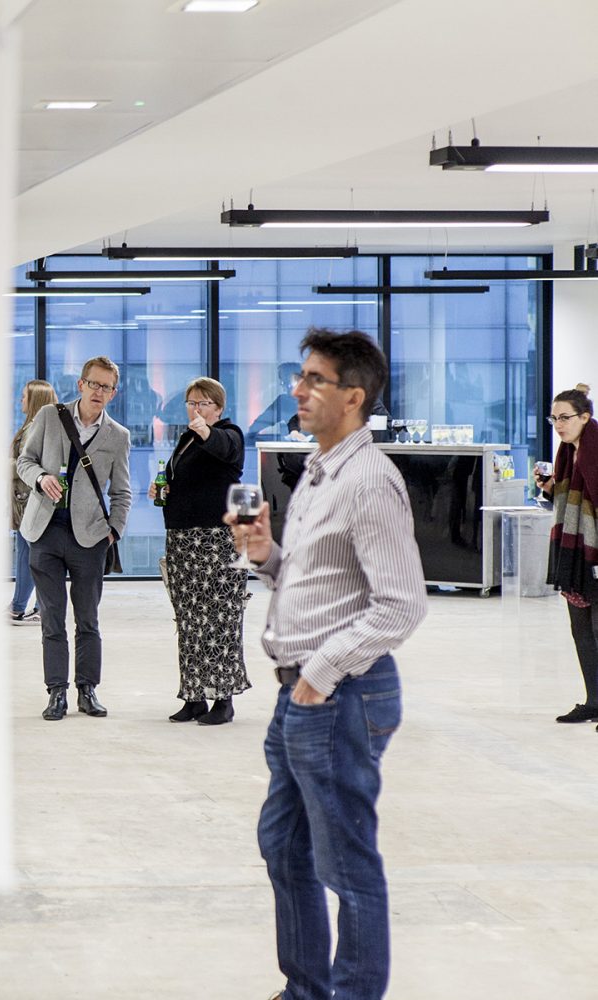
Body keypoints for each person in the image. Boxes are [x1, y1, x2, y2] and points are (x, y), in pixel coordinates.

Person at [229, 329, 427, 1000]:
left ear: (354, 396)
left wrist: (320, 674)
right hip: (302, 695)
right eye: (300, 376)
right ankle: (305, 989)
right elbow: (319, 586)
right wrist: (266, 555)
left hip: (340, 695)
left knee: (347, 864)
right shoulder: (319, 473)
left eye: (315, 380)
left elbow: (400, 605)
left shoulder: (369, 481)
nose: (299, 390)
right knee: (284, 848)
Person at [16, 356, 132, 721]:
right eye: (94, 384)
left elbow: (123, 492)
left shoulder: (118, 436)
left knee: (88, 618)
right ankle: (56, 693)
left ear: (114, 392)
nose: (99, 392)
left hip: (91, 537)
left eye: (107, 387)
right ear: (81, 384)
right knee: (52, 617)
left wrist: (114, 531)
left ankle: (87, 688)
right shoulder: (50, 416)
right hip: (45, 531)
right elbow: (24, 460)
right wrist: (39, 478)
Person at [150, 376, 250, 726]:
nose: (195, 408)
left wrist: (206, 430)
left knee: (219, 619)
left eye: (203, 403)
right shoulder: (186, 439)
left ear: (219, 408)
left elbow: (223, 449)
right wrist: (163, 489)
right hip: (182, 540)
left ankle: (223, 699)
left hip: (216, 541)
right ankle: (194, 696)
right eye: (191, 402)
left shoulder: (230, 434)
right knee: (189, 618)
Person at [534, 383, 598, 724]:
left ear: (585, 417)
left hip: (594, 553)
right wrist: (550, 488)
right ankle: (594, 701)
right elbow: (566, 499)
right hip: (573, 553)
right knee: (581, 630)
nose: (559, 424)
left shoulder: (594, 451)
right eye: (554, 418)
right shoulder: (568, 453)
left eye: (565, 418)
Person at [11, 379, 58, 624]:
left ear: (35, 400)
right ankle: (25, 606)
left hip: (30, 501)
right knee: (29, 556)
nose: (20, 400)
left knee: (32, 557)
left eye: (24, 396)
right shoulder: (38, 426)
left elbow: (27, 464)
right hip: (28, 501)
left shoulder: (34, 429)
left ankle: (30, 607)